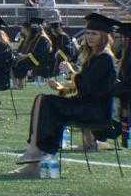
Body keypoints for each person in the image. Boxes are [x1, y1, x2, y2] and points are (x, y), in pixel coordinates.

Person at [11, 14, 119, 177]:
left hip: (96, 112)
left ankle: (36, 156)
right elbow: (85, 86)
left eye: (94, 34)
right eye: (88, 33)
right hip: (86, 105)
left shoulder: (105, 58)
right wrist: (63, 85)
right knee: (44, 101)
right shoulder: (95, 56)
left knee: (46, 102)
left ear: (104, 36)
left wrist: (71, 72)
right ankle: (35, 154)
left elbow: (87, 87)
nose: (89, 37)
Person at [12, 16, 53, 88]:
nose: (33, 29)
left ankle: (20, 85)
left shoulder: (43, 38)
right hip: (34, 58)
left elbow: (40, 53)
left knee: (21, 63)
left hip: (41, 61)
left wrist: (25, 56)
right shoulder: (36, 37)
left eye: (35, 27)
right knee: (18, 62)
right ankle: (18, 84)